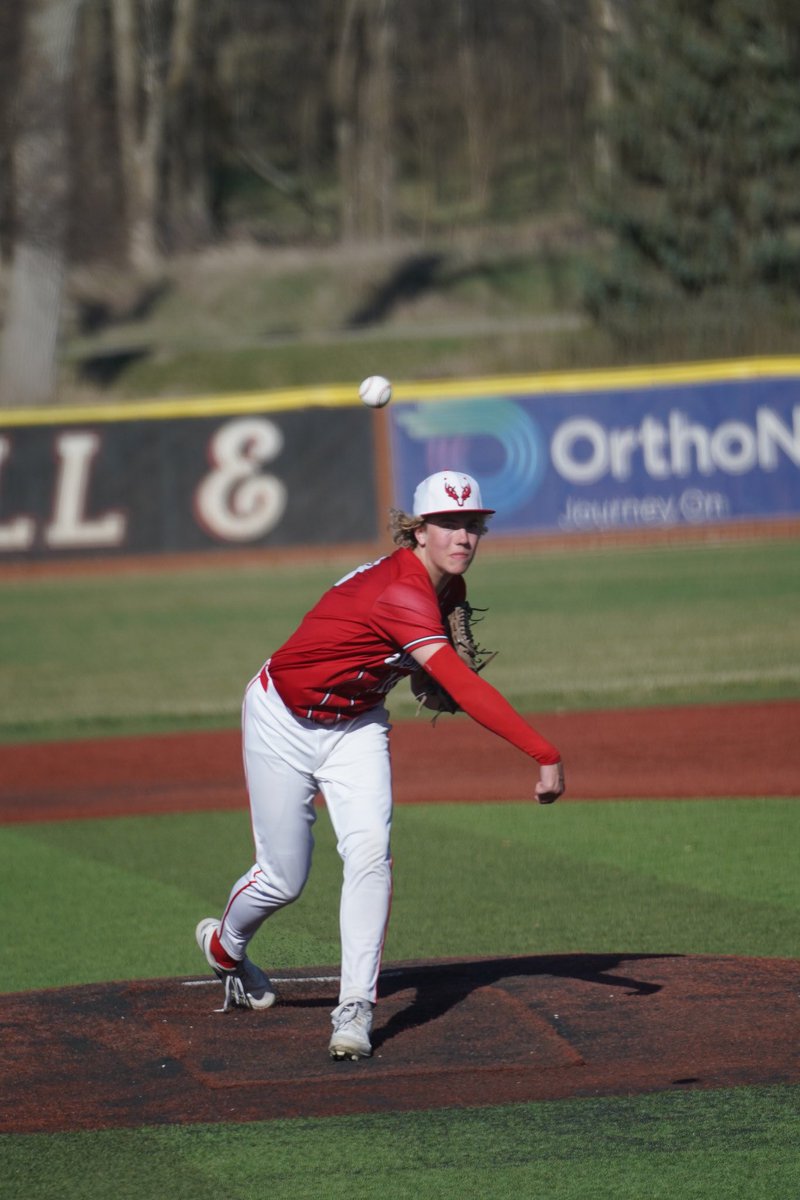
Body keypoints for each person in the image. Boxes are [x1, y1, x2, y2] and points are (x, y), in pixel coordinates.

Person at [196, 469, 565, 1060]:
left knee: (370, 854)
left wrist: (419, 672)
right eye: (447, 525)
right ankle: (224, 945)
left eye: (472, 524)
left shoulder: (449, 590)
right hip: (281, 717)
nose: (462, 537)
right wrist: (544, 754)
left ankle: (355, 1011)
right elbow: (463, 689)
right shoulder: (403, 592)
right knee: (283, 878)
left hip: (357, 725)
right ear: (418, 531)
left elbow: (424, 662)